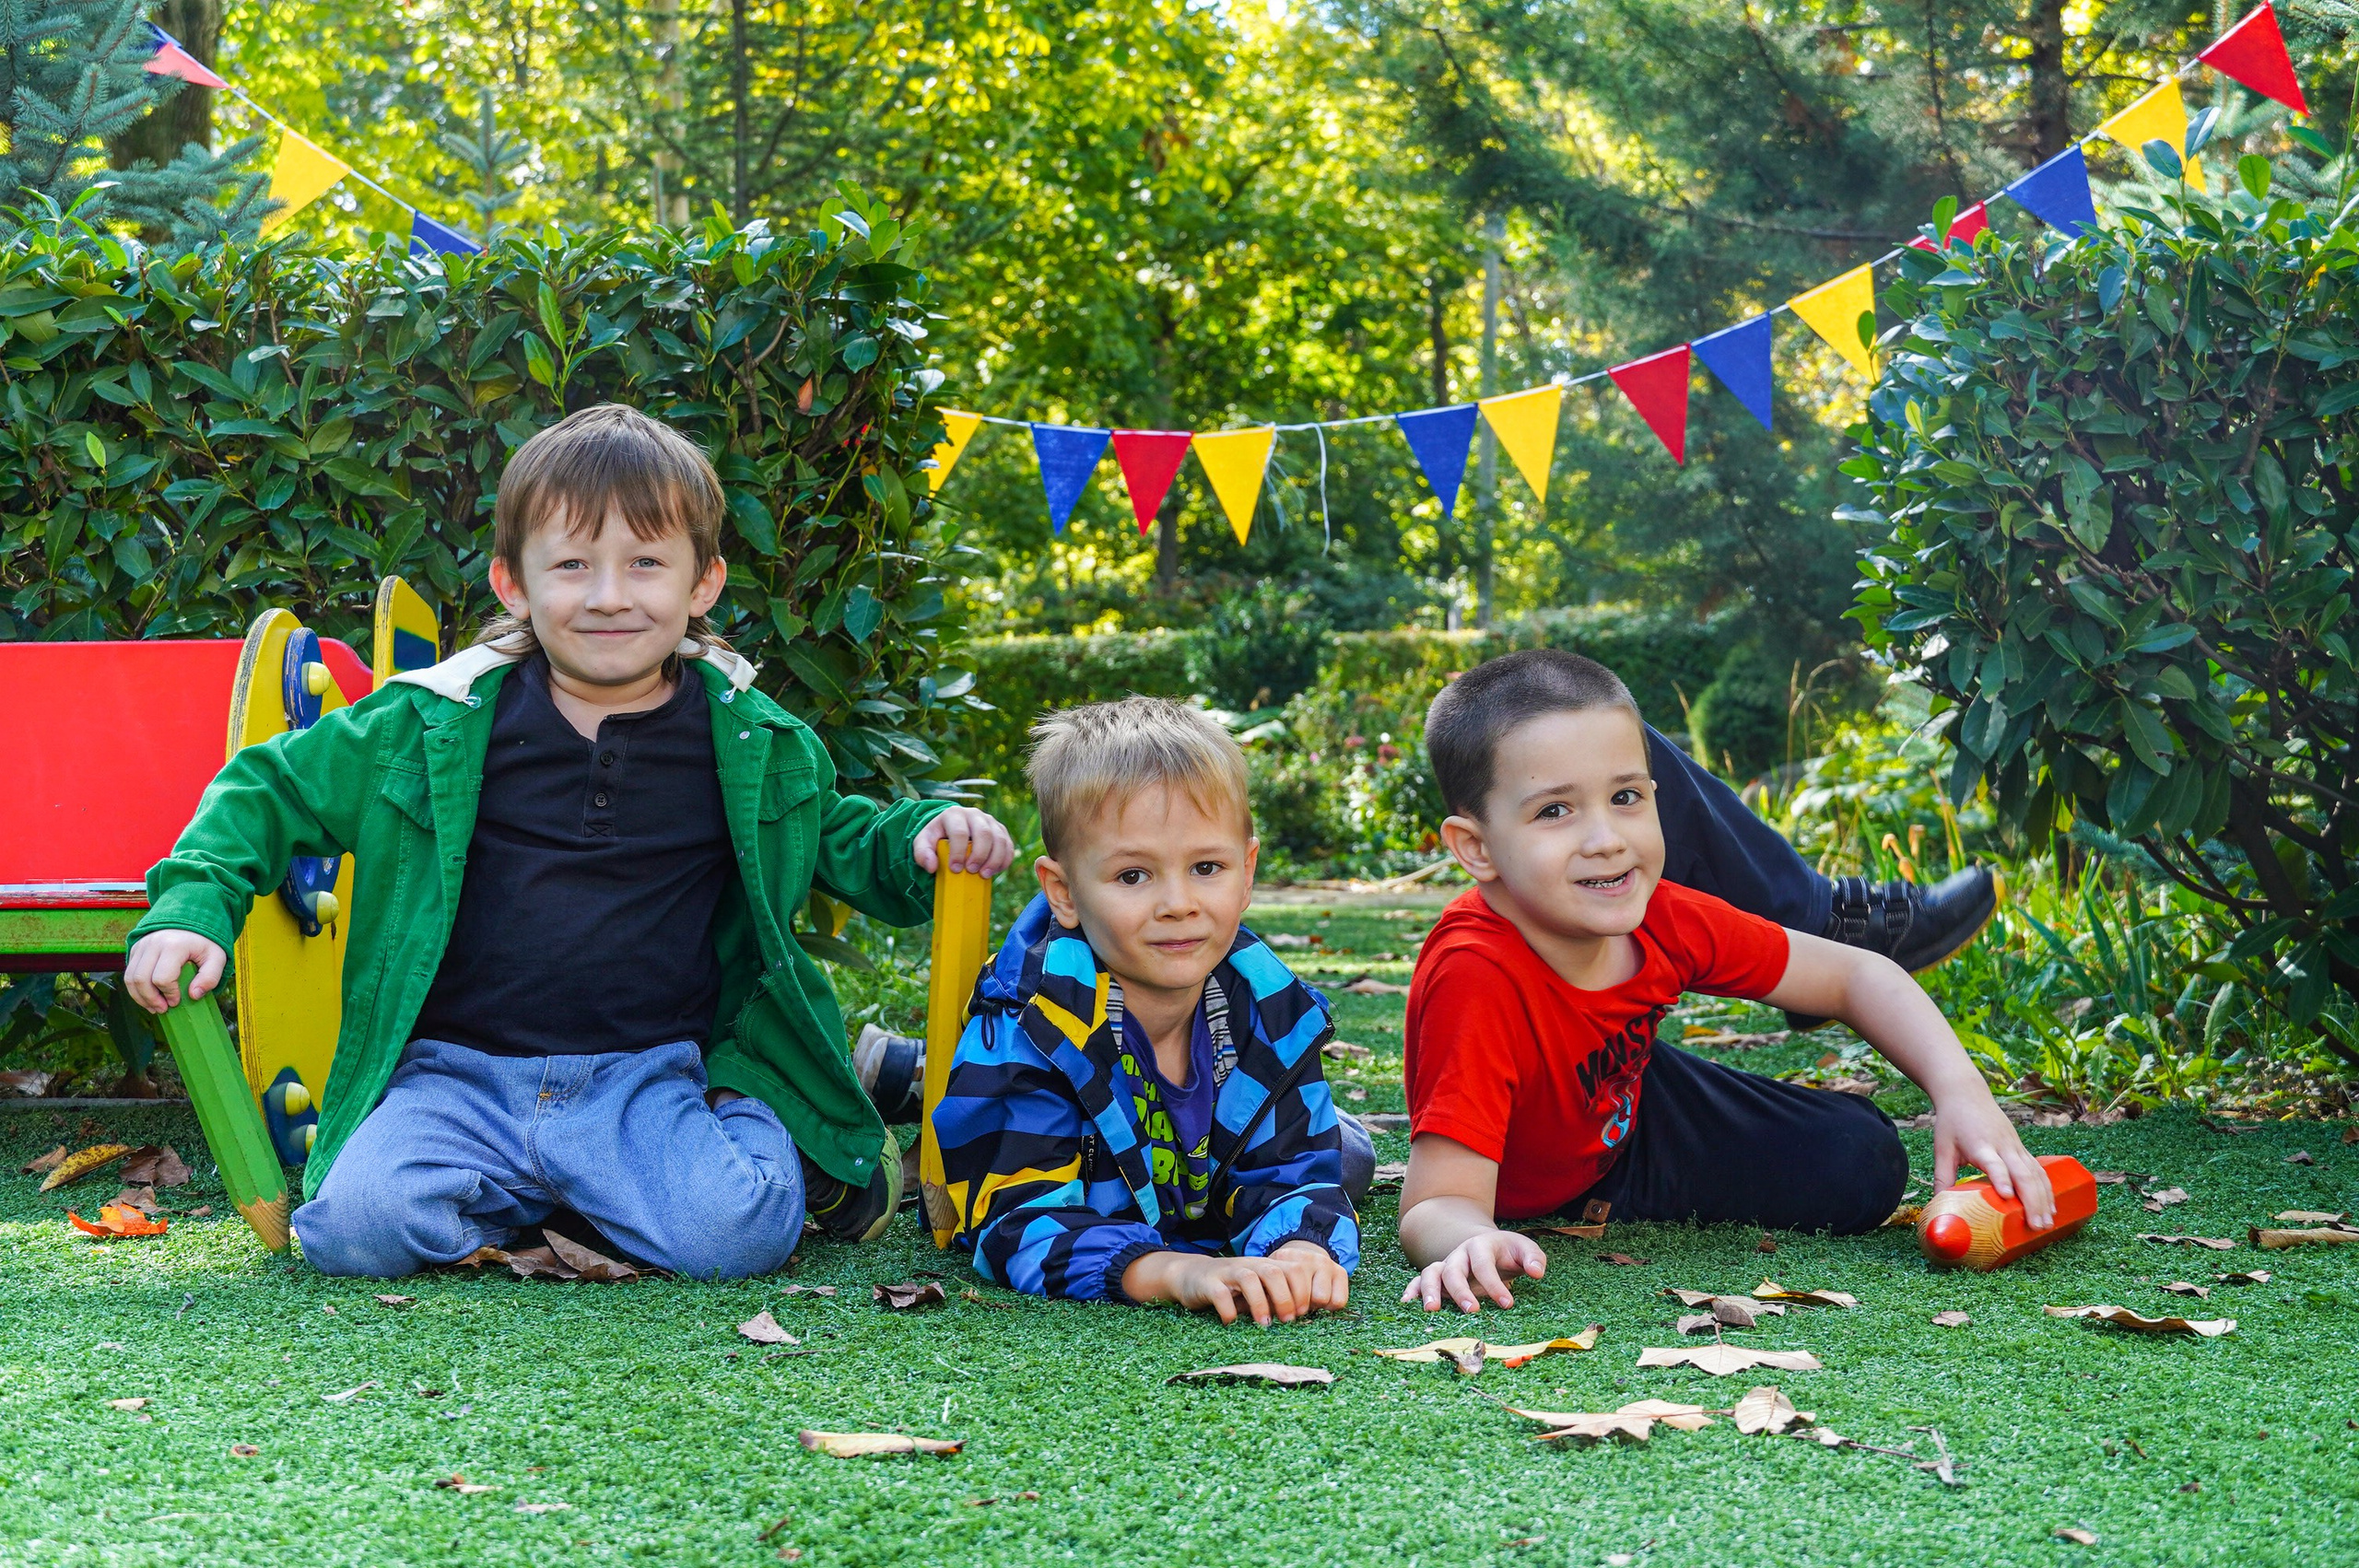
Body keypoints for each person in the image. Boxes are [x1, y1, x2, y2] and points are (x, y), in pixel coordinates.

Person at [121, 404, 1014, 1279]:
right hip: (455, 1078)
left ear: (702, 583)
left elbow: (840, 836)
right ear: (513, 582)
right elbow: (270, 785)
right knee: (351, 1231)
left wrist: (921, 837)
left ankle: (768, 1117)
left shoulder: (748, 739)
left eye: (646, 563)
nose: (609, 595)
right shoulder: (435, 721)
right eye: (574, 564)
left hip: (642, 1077)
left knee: (740, 1230)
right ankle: (557, 1193)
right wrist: (195, 905)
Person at [1395, 649, 2049, 1315]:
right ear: (1475, 847)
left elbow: (1857, 972)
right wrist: (1470, 1238)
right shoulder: (1475, 976)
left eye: (1625, 798)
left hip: (1626, 1108)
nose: (1606, 840)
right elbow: (1434, 1202)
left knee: (1861, 1162)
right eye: (1554, 812)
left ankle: (1622, 1176)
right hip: (1520, 1162)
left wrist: (1961, 1091)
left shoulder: (1661, 913)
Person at [932, 696, 1357, 1324]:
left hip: (1197, 1173)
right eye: (1134, 876)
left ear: (1246, 873)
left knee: (1348, 1159)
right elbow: (1018, 1223)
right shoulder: (1032, 1026)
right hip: (1060, 1138)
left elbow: (1296, 1176)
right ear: (1064, 892)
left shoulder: (1272, 1012)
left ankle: (899, 1066)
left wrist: (1302, 1247)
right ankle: (911, 1073)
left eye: (1206, 867)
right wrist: (1174, 1271)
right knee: (1351, 1154)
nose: (1178, 903)